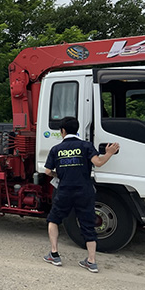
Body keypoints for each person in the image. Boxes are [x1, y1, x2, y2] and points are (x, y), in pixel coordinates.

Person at [43, 117, 120, 273]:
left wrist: (60, 174)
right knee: (87, 223)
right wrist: (109, 153)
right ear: (76, 129)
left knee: (54, 219)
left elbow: (47, 171)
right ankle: (91, 261)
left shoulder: (56, 149)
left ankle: (54, 254)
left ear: (62, 131)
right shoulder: (86, 146)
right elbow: (98, 162)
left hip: (65, 190)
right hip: (84, 191)